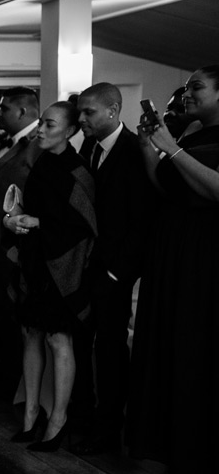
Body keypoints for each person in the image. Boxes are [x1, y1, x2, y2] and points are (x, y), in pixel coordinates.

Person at [126, 65, 219, 474]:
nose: (186, 95)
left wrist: (172, 149)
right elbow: (166, 187)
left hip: (206, 255)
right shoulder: (193, 133)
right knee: (172, 347)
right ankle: (175, 450)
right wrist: (150, 148)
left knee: (197, 350)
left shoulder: (189, 141)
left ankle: (201, 458)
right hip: (174, 252)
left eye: (196, 87)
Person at [3, 101, 96, 453]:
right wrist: (15, 217)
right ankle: (30, 415)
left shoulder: (78, 170)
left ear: (69, 131)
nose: (40, 129)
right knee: (30, 334)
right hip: (35, 261)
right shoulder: (42, 162)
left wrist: (38, 222)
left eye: (50, 124)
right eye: (41, 122)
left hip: (64, 266)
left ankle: (58, 420)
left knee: (58, 339)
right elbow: (35, 208)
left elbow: (85, 226)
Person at [71, 83, 153, 455]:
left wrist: (118, 273)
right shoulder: (88, 147)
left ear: (113, 110)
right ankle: (83, 419)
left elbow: (142, 221)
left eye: (89, 112)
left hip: (115, 271)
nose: (81, 119)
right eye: (80, 112)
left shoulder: (135, 151)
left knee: (110, 351)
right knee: (80, 343)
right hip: (85, 266)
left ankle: (108, 430)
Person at [0, 87, 42, 396]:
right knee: (1, 319)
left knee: (15, 320)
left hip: (11, 249)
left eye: (4, 109)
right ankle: (6, 374)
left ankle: (18, 387)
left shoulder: (37, 146)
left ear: (23, 112)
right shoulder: (6, 142)